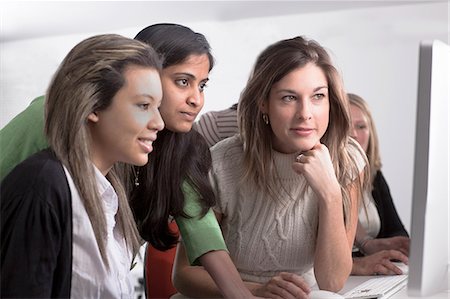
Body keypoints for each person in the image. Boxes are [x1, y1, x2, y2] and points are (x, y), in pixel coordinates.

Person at [0, 24, 254, 298]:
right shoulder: (48, 137)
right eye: (183, 81)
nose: (197, 99)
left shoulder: (176, 150)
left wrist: (245, 294)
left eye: (202, 85)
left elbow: (202, 232)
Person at [173, 36, 370, 298]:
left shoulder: (347, 160)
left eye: (318, 97)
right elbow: (184, 275)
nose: (305, 113)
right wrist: (257, 292)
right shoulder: (221, 163)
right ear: (263, 103)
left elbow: (331, 281)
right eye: (289, 98)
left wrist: (330, 194)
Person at [1, 34, 164, 297]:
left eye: (158, 107)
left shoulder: (109, 197)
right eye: (143, 105)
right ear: (94, 106)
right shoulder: (42, 185)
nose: (158, 123)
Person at [347, 93, 409, 276]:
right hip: (343, 277)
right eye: (346, 126)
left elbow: (397, 231)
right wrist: (364, 256)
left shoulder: (374, 176)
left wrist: (388, 246)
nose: (353, 134)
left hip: (369, 275)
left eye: (361, 126)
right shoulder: (320, 178)